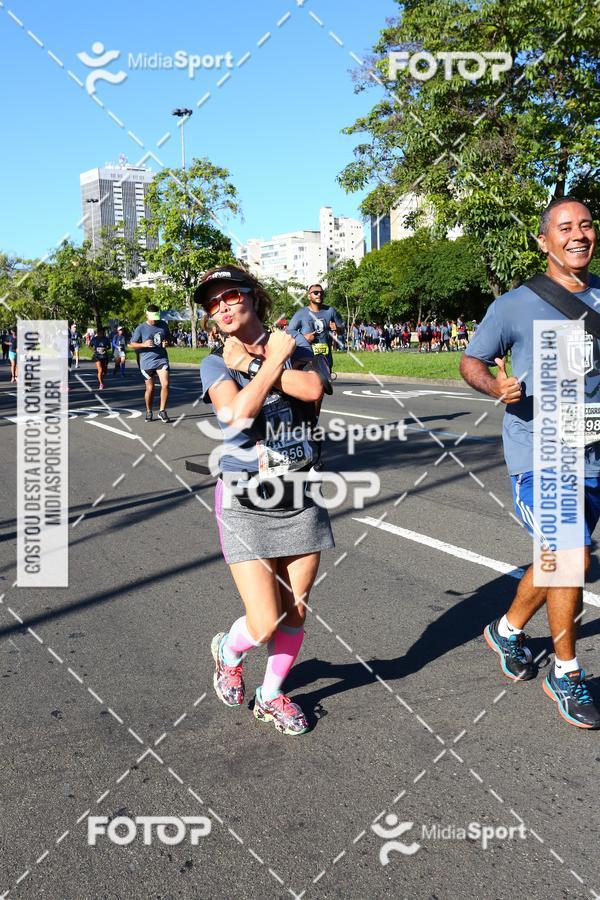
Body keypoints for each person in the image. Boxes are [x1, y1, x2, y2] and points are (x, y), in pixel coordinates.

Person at [460, 196, 600, 729]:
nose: (578, 234)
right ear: (545, 241)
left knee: (562, 559)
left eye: (586, 224)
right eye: (565, 227)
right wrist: (496, 384)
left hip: (590, 453)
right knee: (568, 555)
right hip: (537, 453)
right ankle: (566, 674)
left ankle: (508, 630)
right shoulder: (514, 305)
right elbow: (470, 360)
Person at [197, 264, 334, 736]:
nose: (222, 308)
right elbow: (236, 416)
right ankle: (229, 652)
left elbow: (312, 388)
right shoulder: (215, 363)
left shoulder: (297, 346)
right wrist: (270, 362)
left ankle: (271, 696)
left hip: (300, 492)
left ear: (252, 297)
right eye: (212, 304)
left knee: (295, 611)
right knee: (264, 618)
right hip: (244, 501)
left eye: (229, 296)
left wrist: (254, 364)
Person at [129, 304, 172, 423]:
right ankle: (149, 411)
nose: (155, 320)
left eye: (156, 317)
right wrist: (143, 344)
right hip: (146, 361)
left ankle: (162, 411)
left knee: (166, 384)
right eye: (153, 317)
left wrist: (167, 342)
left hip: (161, 359)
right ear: (147, 315)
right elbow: (131, 344)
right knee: (150, 388)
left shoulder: (163, 325)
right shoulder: (141, 328)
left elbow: (169, 338)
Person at [287, 284, 344, 371]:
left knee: (324, 384)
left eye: (321, 293)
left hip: (325, 359)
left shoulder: (330, 311)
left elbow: (342, 331)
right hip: (306, 359)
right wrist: (303, 338)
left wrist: (337, 328)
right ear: (309, 296)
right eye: (316, 293)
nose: (319, 295)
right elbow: (289, 331)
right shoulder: (301, 313)